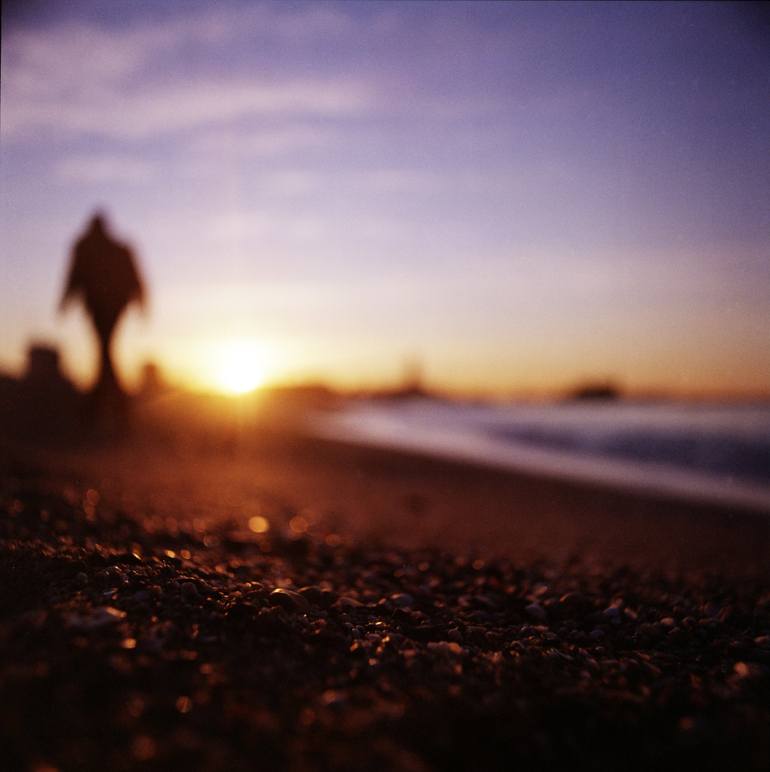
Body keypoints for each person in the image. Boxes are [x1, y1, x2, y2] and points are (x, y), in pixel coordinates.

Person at [60, 212, 146, 426]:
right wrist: (141, 302)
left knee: (105, 351)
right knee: (105, 352)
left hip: (108, 307)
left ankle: (103, 408)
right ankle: (110, 407)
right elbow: (75, 274)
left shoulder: (97, 247)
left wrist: (65, 301)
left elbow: (75, 275)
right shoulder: (106, 248)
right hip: (104, 306)